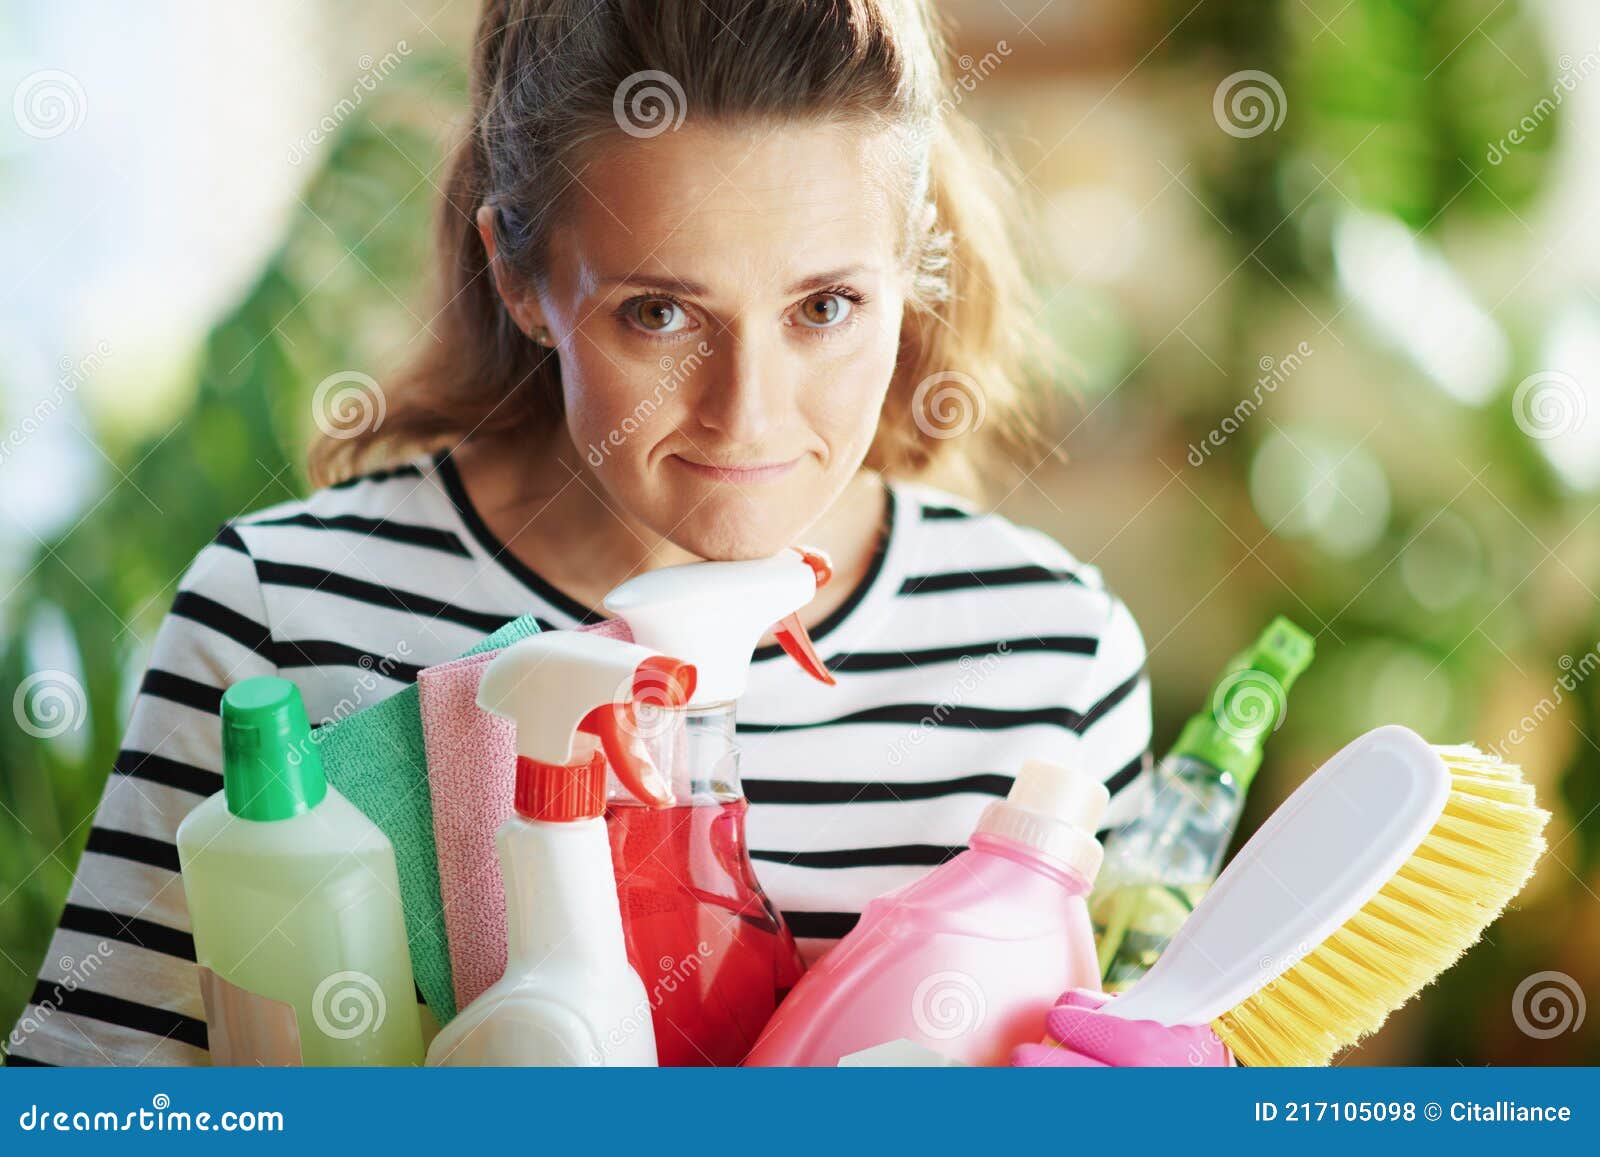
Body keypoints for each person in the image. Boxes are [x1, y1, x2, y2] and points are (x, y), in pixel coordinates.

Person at [7, 0, 1150, 1066]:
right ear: (517, 273)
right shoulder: (282, 611)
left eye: (825, 307)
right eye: (658, 312)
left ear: (910, 269)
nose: (745, 412)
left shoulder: (1051, 651)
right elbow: (86, 1102)